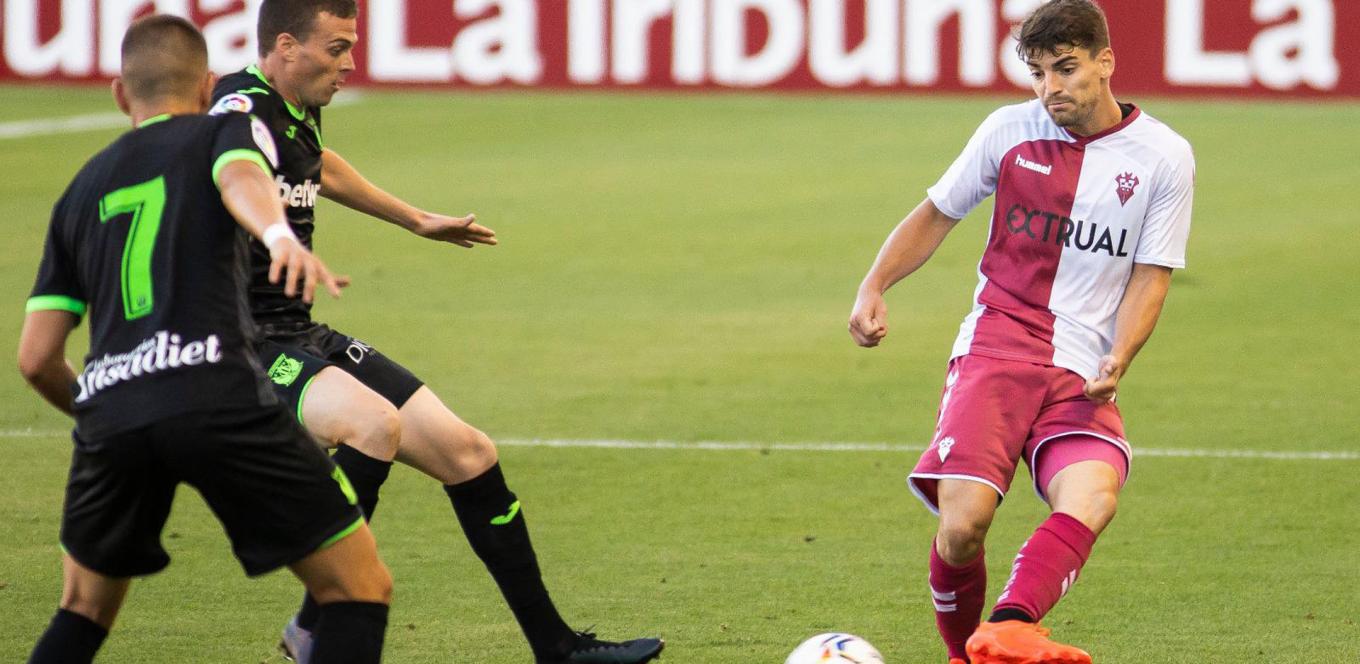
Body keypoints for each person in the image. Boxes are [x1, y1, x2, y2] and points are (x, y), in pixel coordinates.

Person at [208, 2, 663, 662]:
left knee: (469, 454)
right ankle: (315, 622)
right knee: (373, 427)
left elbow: (316, 163)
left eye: (351, 46)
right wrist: (277, 234)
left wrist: (416, 219)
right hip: (242, 342)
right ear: (285, 45)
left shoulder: (294, 107)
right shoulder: (239, 110)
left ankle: (558, 650)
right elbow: (240, 172)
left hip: (299, 331)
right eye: (336, 48)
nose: (350, 63)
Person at [17, 15, 396, 664]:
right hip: (215, 393)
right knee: (358, 588)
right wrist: (277, 234)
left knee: (82, 611)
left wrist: (103, 408)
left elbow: (35, 359)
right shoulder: (223, 128)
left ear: (119, 95)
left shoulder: (80, 191)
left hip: (113, 411)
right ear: (206, 88)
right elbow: (241, 178)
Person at [848, 1, 1194, 662]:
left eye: (1065, 68)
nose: (1049, 88)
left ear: (1105, 62)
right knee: (962, 528)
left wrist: (1120, 356)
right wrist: (874, 285)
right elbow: (937, 213)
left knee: (1094, 495)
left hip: (1081, 368)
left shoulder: (1164, 156)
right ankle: (965, 654)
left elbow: (1151, 275)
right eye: (1037, 73)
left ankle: (1009, 625)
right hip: (996, 349)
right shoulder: (1009, 130)